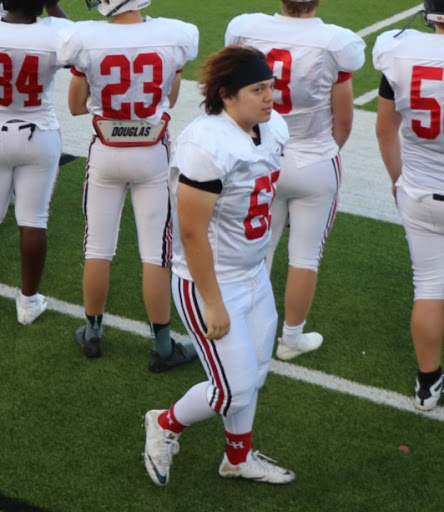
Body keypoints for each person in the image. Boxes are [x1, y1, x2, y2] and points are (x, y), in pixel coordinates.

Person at [143, 45, 295, 486]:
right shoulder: (205, 143)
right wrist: (212, 302)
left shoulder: (273, 126)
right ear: (226, 95)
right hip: (209, 281)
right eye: (257, 89)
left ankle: (237, 458)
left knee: (253, 377)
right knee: (232, 389)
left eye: (270, 86)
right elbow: (192, 232)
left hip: (253, 273)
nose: (269, 96)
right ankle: (164, 423)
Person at [59, 0, 199, 370]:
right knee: (155, 253)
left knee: (98, 247)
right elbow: (170, 97)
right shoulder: (175, 34)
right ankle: (163, 347)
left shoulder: (85, 37)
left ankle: (92, 334)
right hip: (152, 153)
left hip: (106, 151)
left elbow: (75, 106)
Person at [225, 0, 365, 361]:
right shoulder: (335, 42)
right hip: (313, 159)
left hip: (261, 156)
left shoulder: (246, 28)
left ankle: (249, 330)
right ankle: (290, 340)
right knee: (305, 255)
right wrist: (322, 154)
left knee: (259, 248)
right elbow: (344, 121)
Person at [373, 0, 444, 411]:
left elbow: (385, 130)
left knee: (430, 286)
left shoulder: (398, 50)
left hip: (419, 191)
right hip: (419, 186)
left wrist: (397, 179)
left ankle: (428, 384)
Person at [0, 0, 72, 325]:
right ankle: (28, 303)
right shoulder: (55, 33)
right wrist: (53, 5)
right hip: (38, 133)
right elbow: (79, 41)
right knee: (33, 220)